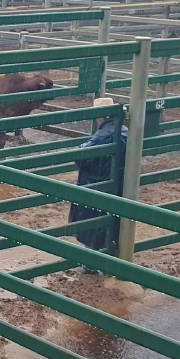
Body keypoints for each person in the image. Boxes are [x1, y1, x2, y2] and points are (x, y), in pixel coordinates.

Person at [68, 97, 129, 272]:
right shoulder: (123, 130)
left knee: (92, 223)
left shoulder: (103, 135)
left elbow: (82, 156)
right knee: (111, 223)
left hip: (95, 181)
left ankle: (91, 263)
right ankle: (111, 256)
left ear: (99, 116)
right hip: (117, 183)